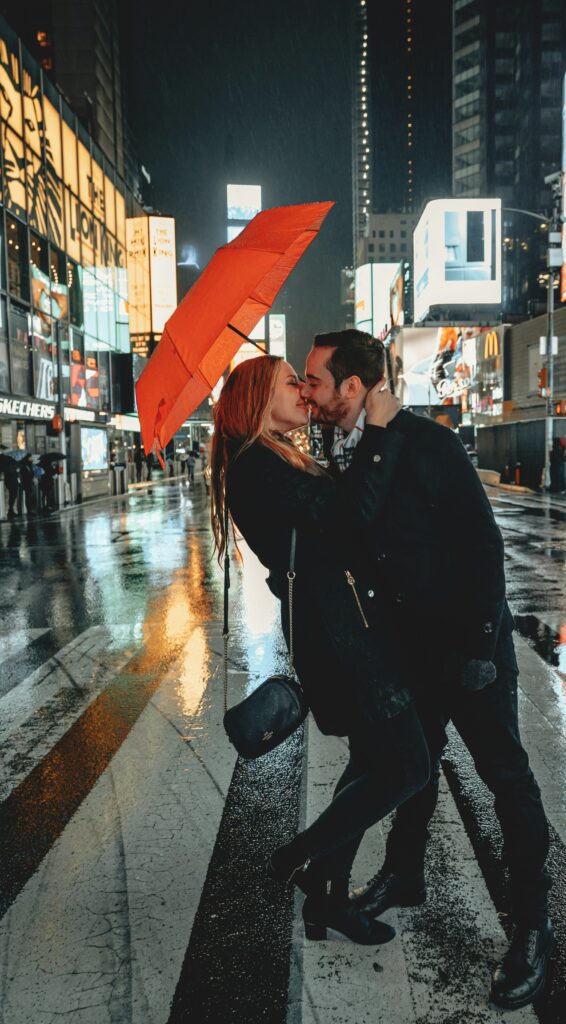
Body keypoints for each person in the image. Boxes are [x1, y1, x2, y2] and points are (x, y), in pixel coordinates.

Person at [301, 330, 552, 1011]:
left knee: (506, 778)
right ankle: (403, 874)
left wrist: (477, 647)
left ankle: (532, 922)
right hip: (409, 651)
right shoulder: (352, 451)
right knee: (413, 767)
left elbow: (481, 546)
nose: (307, 393)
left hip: (468, 648)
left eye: (316, 380)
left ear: (354, 387)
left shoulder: (430, 443)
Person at [211, 354, 431, 946]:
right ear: (258, 398)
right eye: (292, 383)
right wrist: (380, 431)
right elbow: (349, 515)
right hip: (342, 634)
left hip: (346, 622)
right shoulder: (256, 466)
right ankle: (299, 858)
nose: (304, 394)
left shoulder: (278, 457)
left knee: (369, 761)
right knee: (409, 765)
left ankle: (327, 901)